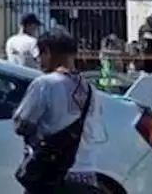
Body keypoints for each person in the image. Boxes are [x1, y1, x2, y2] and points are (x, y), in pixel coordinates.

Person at [13, 29, 101, 193]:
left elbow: (21, 124)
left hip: (51, 175)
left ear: (48, 52)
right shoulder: (89, 89)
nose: (39, 60)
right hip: (85, 174)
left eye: (40, 54)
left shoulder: (44, 84)